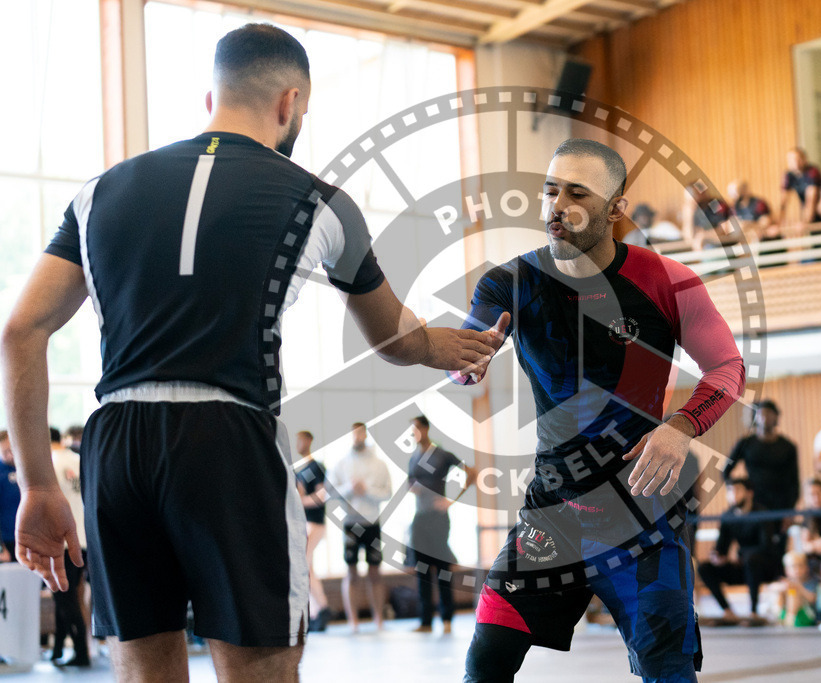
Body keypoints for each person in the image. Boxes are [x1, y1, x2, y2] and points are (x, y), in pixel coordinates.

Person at [0, 23, 496, 682]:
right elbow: (397, 338)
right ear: (289, 103)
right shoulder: (323, 202)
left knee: (144, 670)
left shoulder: (98, 192)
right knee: (260, 669)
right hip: (226, 438)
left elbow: (19, 331)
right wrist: (458, 346)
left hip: (115, 442)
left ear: (212, 96)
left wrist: (38, 485)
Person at [457, 138, 745, 682]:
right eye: (549, 190)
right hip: (551, 517)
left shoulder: (669, 282)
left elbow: (728, 368)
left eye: (576, 192)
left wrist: (680, 427)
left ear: (616, 208)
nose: (556, 206)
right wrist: (462, 358)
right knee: (484, 664)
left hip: (643, 521)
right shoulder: (510, 282)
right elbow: (467, 345)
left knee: (669, 672)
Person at [406, 415, 475, 635]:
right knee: (422, 569)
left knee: (442, 567)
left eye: (416, 428)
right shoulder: (413, 458)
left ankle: (447, 618)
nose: (413, 433)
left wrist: (452, 500)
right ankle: (425, 621)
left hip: (438, 517)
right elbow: (410, 482)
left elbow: (471, 472)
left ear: (425, 429)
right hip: (420, 517)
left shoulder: (441, 455)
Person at [328, 421, 392, 632]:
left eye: (360, 434)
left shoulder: (379, 464)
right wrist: (349, 488)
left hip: (372, 522)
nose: (357, 438)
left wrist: (367, 490)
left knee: (375, 572)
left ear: (365, 435)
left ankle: (378, 620)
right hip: (350, 523)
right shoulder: (342, 464)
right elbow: (331, 491)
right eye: (354, 434)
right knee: (351, 572)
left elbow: (387, 493)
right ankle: (353, 621)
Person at [697, 478, 780, 624]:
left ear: (749, 493)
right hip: (742, 566)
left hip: (764, 567)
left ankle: (753, 613)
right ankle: (728, 612)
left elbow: (766, 546)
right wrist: (717, 556)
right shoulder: (728, 516)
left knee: (751, 560)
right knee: (704, 568)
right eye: (729, 491)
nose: (732, 494)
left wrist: (740, 555)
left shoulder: (761, 513)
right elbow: (721, 545)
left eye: (737, 490)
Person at [50, 427, 90, 667]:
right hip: (83, 538)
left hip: (60, 540)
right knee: (68, 597)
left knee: (65, 600)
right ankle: (58, 650)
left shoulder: (48, 465)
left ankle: (82, 652)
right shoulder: (78, 459)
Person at [723, 400, 799, 514]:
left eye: (768, 414)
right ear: (755, 418)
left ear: (776, 417)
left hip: (781, 503)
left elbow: (794, 482)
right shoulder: (746, 443)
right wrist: (737, 491)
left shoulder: (788, 447)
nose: (764, 418)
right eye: (761, 414)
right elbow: (726, 470)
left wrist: (790, 510)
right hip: (754, 503)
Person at [293, 430, 330, 632]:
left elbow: (323, 494)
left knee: (305, 565)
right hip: (304, 522)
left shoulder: (316, 467)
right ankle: (317, 611)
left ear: (308, 441)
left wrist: (301, 502)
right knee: (307, 567)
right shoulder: (299, 470)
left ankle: (321, 608)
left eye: (301, 440)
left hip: (314, 522)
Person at [779, 147, 821, 230]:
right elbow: (783, 201)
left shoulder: (812, 172)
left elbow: (811, 199)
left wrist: (805, 221)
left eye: (797, 159)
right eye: (791, 160)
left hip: (820, 212)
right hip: (807, 210)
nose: (794, 162)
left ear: (804, 159)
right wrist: (779, 223)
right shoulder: (789, 175)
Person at [0, 430, 18, 562]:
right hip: (7, 541)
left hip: (28, 539)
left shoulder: (26, 470)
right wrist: (1, 548)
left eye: (13, 450)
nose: (11, 455)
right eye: (6, 452)